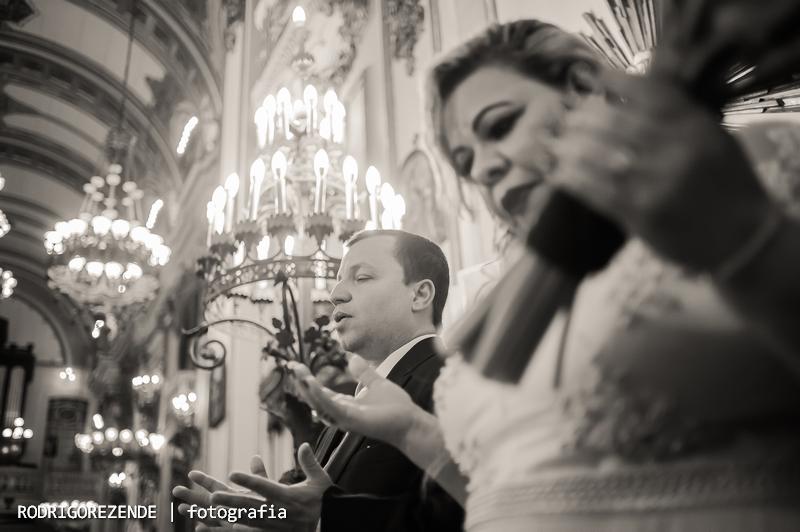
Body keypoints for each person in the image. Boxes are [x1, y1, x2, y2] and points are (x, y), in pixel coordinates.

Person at [294, 18, 800, 532]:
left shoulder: (754, 170)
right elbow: (508, 496)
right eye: (466, 161)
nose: (485, 169)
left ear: (583, 89)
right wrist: (411, 434)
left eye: (500, 125)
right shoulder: (502, 292)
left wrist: (746, 238)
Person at [173, 229, 463, 531]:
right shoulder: (352, 403)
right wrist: (264, 522)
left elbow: (464, 513)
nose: (336, 293)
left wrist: (326, 518)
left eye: (362, 278)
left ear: (419, 294)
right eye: (338, 279)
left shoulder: (454, 381)